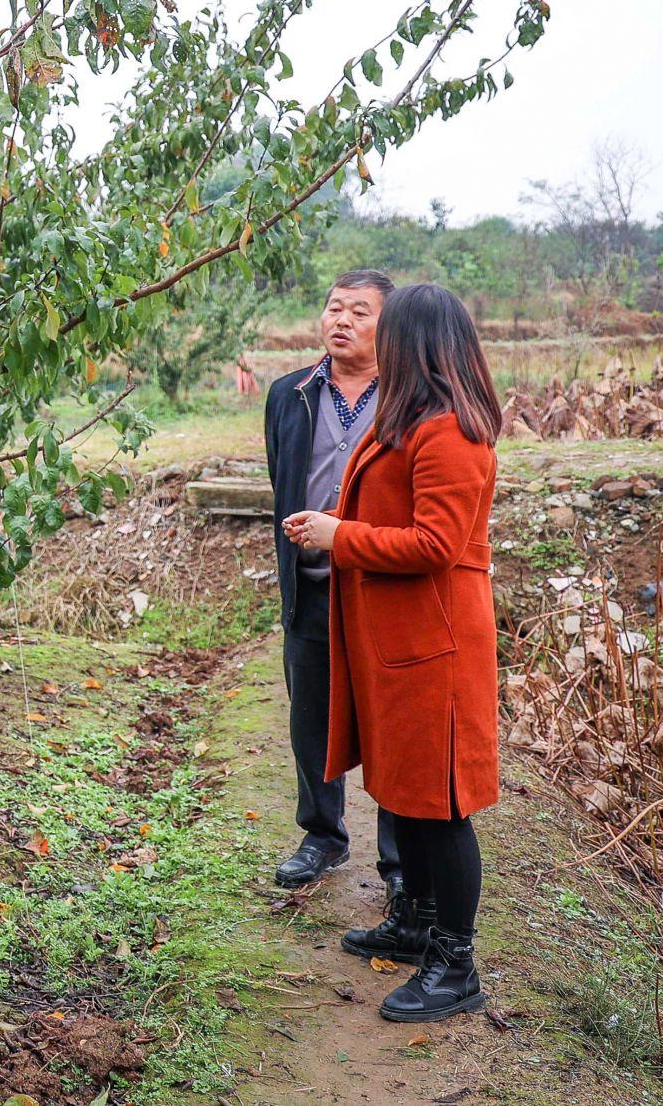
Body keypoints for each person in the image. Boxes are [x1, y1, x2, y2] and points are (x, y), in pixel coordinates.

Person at [284, 282, 502, 1022]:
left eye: (390, 330)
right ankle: (414, 918)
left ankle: (456, 962)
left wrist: (338, 536)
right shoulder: (411, 417)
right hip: (399, 642)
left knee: (441, 807)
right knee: (404, 790)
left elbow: (438, 544)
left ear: (417, 344)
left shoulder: (451, 431)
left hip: (435, 646)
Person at [262, 270, 402, 898]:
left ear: (389, 327)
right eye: (334, 308)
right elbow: (282, 480)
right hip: (311, 584)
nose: (341, 320)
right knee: (310, 716)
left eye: (360, 312)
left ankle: (400, 861)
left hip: (382, 587)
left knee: (389, 725)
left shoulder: (409, 398)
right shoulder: (288, 395)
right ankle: (322, 834)